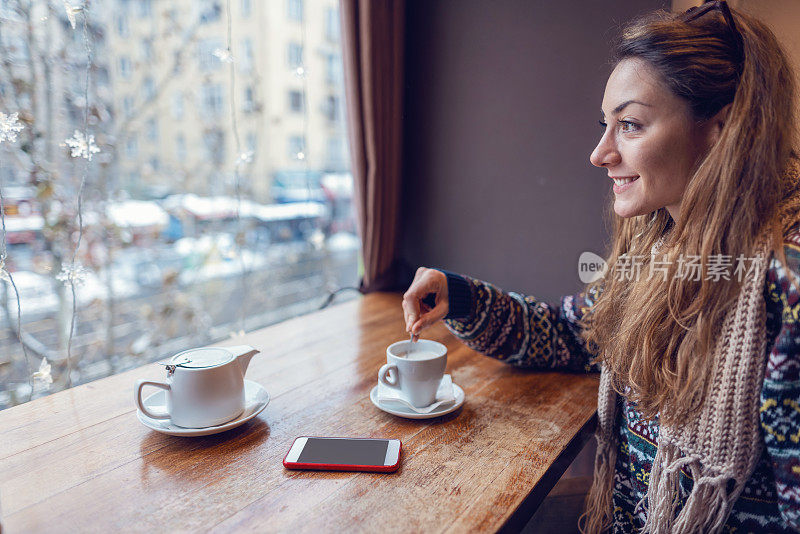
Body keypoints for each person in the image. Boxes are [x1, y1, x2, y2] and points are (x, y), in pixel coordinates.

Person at [401, 2, 800, 533]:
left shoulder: (784, 283)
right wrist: (462, 296)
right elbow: (576, 332)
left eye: (630, 125)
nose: (599, 153)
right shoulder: (655, 245)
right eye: (605, 125)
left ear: (719, 130)